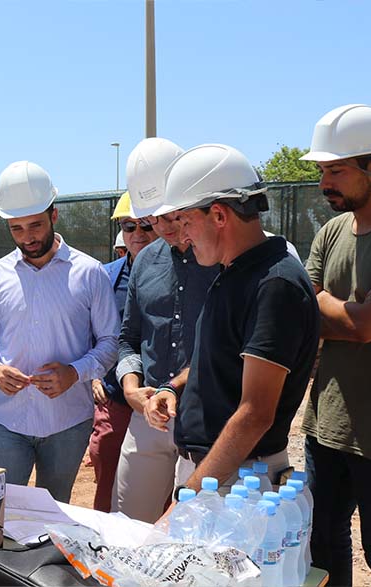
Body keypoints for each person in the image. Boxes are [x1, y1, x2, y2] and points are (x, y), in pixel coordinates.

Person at [144, 143, 319, 503]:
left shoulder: (275, 285)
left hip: (237, 485)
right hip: (217, 476)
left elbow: (255, 414)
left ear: (219, 215)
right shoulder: (233, 273)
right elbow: (219, 360)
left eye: (186, 221)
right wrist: (172, 387)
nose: (182, 235)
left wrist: (189, 498)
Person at [0, 161, 119, 503]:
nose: (27, 237)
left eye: (35, 225)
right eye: (17, 228)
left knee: (54, 513)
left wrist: (74, 373)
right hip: (5, 420)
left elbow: (110, 341)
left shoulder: (90, 273)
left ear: (54, 215)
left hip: (68, 422)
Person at [298, 104, 371, 586]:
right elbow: (305, 312)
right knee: (322, 544)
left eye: (336, 170)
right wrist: (345, 315)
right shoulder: (331, 231)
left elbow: (370, 327)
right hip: (326, 424)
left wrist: (329, 308)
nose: (324, 183)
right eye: (321, 171)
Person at [112, 138, 220, 523]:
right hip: (147, 418)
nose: (162, 227)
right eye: (151, 220)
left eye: (171, 216)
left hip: (208, 421)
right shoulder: (143, 263)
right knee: (126, 528)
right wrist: (130, 388)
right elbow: (128, 339)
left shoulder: (225, 259)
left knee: (192, 534)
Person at [87, 191, 158, 512]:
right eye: (130, 227)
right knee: (106, 464)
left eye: (146, 226)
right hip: (114, 397)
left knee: (156, 483)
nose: (138, 235)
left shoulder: (183, 272)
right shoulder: (105, 276)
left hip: (159, 397)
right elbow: (88, 331)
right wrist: (93, 377)